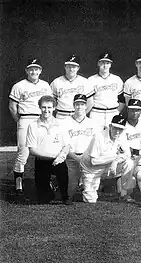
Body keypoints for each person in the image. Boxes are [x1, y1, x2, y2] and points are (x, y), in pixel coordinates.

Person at [9, 58, 52, 196]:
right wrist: (20, 121)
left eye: (36, 69)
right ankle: (18, 183)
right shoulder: (19, 86)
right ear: (27, 70)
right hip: (26, 118)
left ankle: (45, 180)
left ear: (40, 70)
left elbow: (50, 105)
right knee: (23, 153)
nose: (34, 71)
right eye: (31, 69)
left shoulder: (45, 85)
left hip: (41, 119)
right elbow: (12, 107)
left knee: (45, 150)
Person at [26, 95, 71, 204]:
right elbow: (32, 150)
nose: (46, 110)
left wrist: (62, 155)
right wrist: (52, 156)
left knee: (65, 196)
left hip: (58, 160)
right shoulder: (33, 126)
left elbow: (67, 145)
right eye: (44, 107)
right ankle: (49, 188)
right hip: (42, 160)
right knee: (44, 199)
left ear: (54, 108)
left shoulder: (61, 124)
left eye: (49, 107)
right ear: (39, 108)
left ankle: (64, 194)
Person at [79, 115, 135, 203]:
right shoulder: (98, 137)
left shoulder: (122, 136)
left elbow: (128, 154)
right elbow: (94, 161)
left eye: (120, 129)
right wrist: (114, 159)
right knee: (90, 200)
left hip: (109, 166)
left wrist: (115, 162)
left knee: (129, 163)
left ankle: (124, 194)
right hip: (91, 169)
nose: (117, 132)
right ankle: (84, 183)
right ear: (110, 126)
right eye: (115, 128)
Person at [63, 94, 99, 202]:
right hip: (71, 158)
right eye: (77, 104)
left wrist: (86, 158)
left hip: (88, 159)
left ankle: (87, 185)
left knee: (90, 198)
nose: (79, 107)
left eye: (82, 104)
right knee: (69, 194)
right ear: (73, 106)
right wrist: (76, 158)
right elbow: (64, 146)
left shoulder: (93, 123)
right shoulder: (65, 122)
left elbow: (96, 144)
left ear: (86, 106)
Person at [88, 52, 125, 130]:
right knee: (95, 137)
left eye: (107, 63)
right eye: (102, 63)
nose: (105, 65)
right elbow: (88, 100)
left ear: (110, 64)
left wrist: (116, 112)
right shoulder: (91, 80)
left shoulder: (117, 79)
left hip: (113, 112)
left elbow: (122, 100)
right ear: (98, 63)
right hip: (96, 113)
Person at [50, 54, 93, 120]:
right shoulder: (56, 82)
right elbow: (51, 102)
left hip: (78, 115)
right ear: (65, 67)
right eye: (69, 66)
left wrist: (82, 114)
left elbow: (90, 103)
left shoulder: (85, 82)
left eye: (73, 67)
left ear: (78, 68)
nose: (71, 69)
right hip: (62, 115)